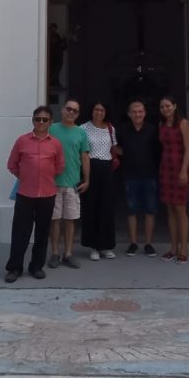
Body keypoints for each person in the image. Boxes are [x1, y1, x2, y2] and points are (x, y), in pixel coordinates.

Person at [4, 106, 64, 283]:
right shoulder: (22, 141)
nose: (41, 122)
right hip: (25, 194)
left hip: (47, 195)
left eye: (45, 120)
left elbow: (59, 167)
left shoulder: (55, 144)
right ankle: (14, 268)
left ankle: (36, 266)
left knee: (42, 232)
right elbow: (12, 164)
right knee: (20, 232)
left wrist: (45, 177)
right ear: (33, 120)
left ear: (51, 122)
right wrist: (25, 177)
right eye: (38, 119)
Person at [48, 99, 90, 269]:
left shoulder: (81, 133)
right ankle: (54, 253)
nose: (71, 112)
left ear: (78, 114)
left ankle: (68, 254)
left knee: (70, 220)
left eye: (75, 110)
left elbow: (85, 157)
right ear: (62, 110)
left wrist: (87, 180)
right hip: (53, 183)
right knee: (55, 220)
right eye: (69, 109)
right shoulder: (51, 129)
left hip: (73, 183)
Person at [117, 100, 160, 257]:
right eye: (134, 112)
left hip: (150, 175)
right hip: (130, 175)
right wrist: (127, 155)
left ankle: (148, 243)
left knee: (150, 210)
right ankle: (133, 243)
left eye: (140, 111)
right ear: (129, 114)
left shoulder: (153, 130)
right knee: (131, 210)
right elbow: (115, 147)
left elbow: (158, 151)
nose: (137, 114)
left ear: (145, 113)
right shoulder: (123, 130)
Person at [79, 101, 118, 259]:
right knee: (91, 207)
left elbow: (113, 148)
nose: (99, 112)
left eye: (102, 110)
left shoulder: (110, 128)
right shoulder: (83, 128)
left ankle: (105, 246)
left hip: (106, 169)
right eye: (96, 109)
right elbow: (81, 151)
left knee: (106, 207)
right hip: (90, 167)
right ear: (91, 110)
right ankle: (93, 246)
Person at [158, 95, 189, 263]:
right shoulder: (162, 125)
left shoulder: (183, 123)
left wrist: (184, 170)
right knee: (170, 209)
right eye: (162, 107)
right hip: (166, 169)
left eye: (168, 106)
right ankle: (173, 248)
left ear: (175, 106)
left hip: (180, 169)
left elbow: (188, 149)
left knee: (180, 210)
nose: (165, 109)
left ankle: (183, 250)